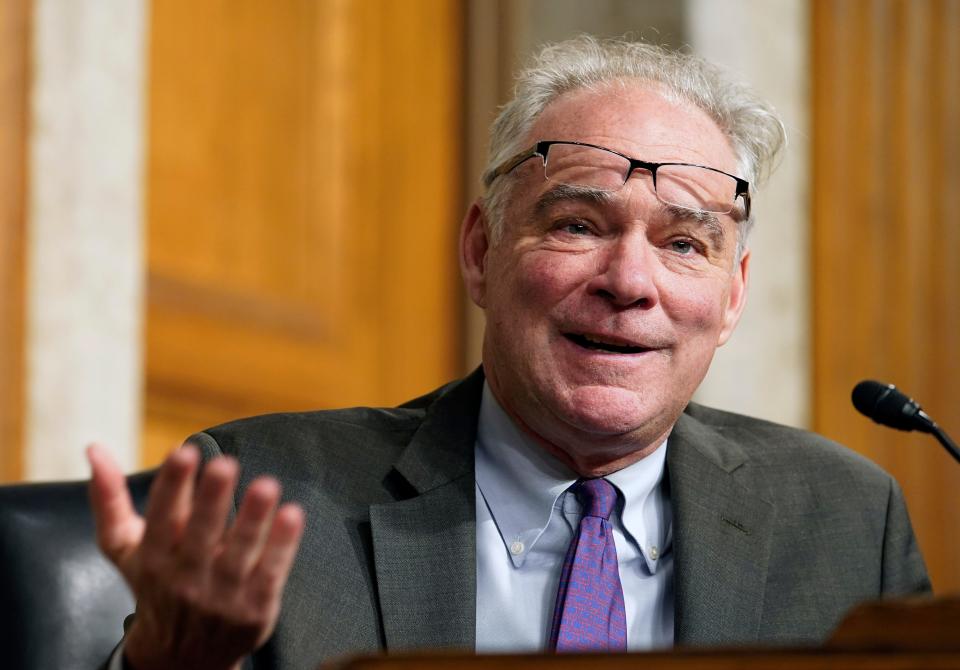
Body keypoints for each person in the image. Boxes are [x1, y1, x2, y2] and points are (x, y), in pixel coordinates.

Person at [88, 36, 931, 670]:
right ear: (480, 250)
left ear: (734, 294)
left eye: (684, 244)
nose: (630, 280)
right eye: (577, 225)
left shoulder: (848, 524)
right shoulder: (266, 500)